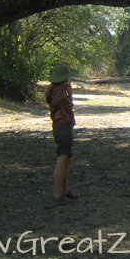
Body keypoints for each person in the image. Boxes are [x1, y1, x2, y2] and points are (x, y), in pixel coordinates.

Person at [45, 64, 80, 205]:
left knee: (66, 159)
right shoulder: (60, 93)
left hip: (61, 127)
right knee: (62, 160)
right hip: (63, 127)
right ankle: (58, 194)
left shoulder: (55, 90)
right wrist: (69, 93)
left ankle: (65, 190)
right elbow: (67, 106)